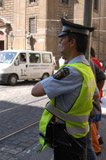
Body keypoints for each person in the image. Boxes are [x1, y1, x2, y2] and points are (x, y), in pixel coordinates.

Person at [31, 18, 98, 160]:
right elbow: (95, 95)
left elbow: (35, 91)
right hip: (80, 133)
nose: (59, 43)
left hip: (67, 139)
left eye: (62, 40)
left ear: (72, 42)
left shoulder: (71, 72)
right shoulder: (86, 68)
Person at [87, 59, 105, 159]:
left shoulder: (87, 61)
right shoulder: (90, 61)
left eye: (61, 41)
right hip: (92, 104)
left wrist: (95, 95)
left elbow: (102, 77)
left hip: (88, 107)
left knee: (88, 141)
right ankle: (97, 143)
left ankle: (97, 147)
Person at [90, 47, 104, 148]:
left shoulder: (93, 62)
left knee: (94, 118)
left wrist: (97, 92)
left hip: (94, 94)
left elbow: (101, 76)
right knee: (95, 118)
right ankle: (96, 137)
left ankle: (96, 138)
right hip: (96, 93)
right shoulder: (95, 61)